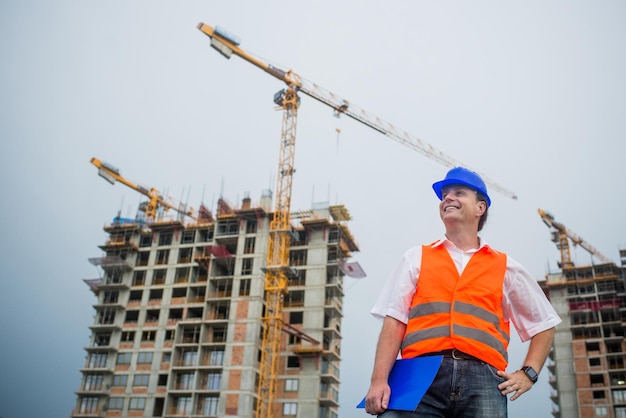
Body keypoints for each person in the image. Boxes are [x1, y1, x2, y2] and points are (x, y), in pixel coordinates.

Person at [364, 167, 561, 417]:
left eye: (459, 192)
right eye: (445, 194)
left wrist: (528, 373)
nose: (448, 198)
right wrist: (378, 381)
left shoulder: (507, 267)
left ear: (480, 208)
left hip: (484, 381)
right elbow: (394, 322)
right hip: (417, 378)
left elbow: (544, 323)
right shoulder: (416, 258)